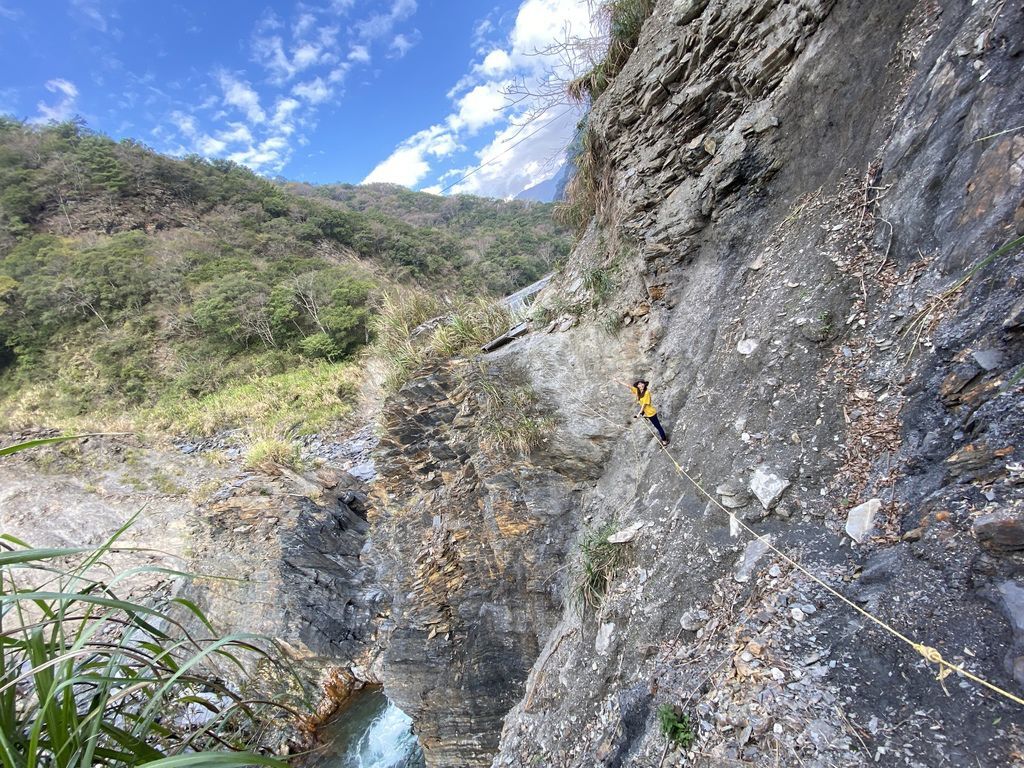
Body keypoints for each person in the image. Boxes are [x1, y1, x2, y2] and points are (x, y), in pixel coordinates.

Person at [616, 378, 669, 446]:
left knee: (658, 427)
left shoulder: (647, 393)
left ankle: (664, 441)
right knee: (657, 426)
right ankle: (664, 439)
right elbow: (628, 386)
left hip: (651, 413)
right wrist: (618, 381)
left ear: (644, 384)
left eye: (642, 383)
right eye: (639, 384)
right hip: (646, 413)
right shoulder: (638, 391)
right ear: (637, 386)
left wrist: (639, 414)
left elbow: (644, 405)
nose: (641, 385)